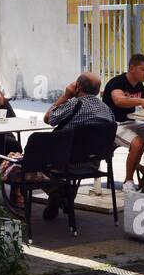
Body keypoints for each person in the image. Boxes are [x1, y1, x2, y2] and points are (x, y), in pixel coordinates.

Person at [38, 72, 117, 219]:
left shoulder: (74, 103)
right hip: (93, 163)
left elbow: (48, 118)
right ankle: (65, 196)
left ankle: (57, 191)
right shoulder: (106, 110)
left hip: (65, 162)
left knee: (32, 159)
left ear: (78, 86)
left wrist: (66, 95)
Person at [103, 53, 144, 186]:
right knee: (138, 144)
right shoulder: (117, 82)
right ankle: (129, 181)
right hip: (114, 125)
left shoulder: (138, 85)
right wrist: (142, 101)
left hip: (132, 122)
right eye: (143, 69)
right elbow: (119, 100)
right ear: (132, 68)